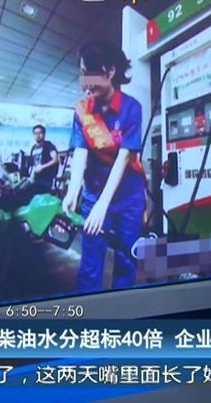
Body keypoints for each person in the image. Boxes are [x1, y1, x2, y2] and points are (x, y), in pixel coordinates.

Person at [62, 41, 146, 292]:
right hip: (93, 194)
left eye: (91, 73)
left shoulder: (132, 109)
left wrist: (103, 205)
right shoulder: (82, 111)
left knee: (126, 263)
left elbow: (123, 158)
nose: (85, 82)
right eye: (82, 73)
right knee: (90, 265)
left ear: (110, 72)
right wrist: (73, 190)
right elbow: (80, 152)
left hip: (128, 198)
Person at [29, 124, 59, 194]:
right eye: (36, 133)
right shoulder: (33, 148)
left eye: (40, 133)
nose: (38, 135)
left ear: (44, 134)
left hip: (46, 179)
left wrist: (42, 167)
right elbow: (33, 164)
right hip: (36, 179)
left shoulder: (49, 145)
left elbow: (55, 159)